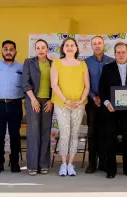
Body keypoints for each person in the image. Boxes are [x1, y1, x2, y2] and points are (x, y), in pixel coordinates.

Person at [99, 42, 127, 179]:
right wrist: (106, 103)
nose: (121, 54)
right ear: (115, 54)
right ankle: (111, 169)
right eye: (118, 52)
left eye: (123, 52)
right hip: (111, 109)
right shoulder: (107, 68)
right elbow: (102, 89)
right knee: (110, 137)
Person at [51, 38, 90, 177]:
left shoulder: (82, 64)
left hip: (78, 105)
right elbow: (54, 84)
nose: (69, 47)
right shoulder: (56, 63)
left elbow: (87, 85)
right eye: (67, 45)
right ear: (62, 48)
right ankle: (63, 163)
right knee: (65, 133)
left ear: (76, 48)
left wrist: (81, 100)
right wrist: (65, 100)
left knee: (74, 134)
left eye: (72, 45)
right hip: (62, 104)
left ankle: (70, 164)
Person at [0, 40, 23, 174]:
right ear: (2, 51)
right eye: (6, 49)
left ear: (15, 51)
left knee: (15, 135)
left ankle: (14, 162)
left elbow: (26, 86)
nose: (8, 52)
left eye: (11, 49)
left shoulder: (22, 68)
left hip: (15, 105)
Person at [22, 39, 53, 176]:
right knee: (34, 133)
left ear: (47, 49)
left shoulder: (53, 64)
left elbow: (57, 84)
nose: (40, 50)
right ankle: (32, 165)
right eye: (38, 47)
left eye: (43, 47)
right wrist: (33, 99)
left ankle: (44, 164)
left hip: (48, 101)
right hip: (32, 100)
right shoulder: (29, 62)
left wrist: (52, 100)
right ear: (35, 50)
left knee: (45, 132)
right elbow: (25, 82)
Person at [84, 36, 115, 173]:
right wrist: (93, 96)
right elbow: (84, 83)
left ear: (104, 45)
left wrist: (106, 98)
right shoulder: (85, 63)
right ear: (91, 46)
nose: (97, 46)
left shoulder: (112, 61)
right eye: (94, 44)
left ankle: (103, 162)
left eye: (99, 43)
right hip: (92, 102)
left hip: (108, 103)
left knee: (105, 133)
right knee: (92, 133)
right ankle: (92, 163)